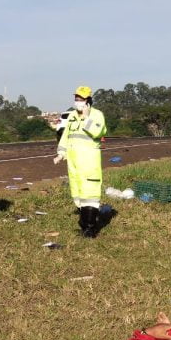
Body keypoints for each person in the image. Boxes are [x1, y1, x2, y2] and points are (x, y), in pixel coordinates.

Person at [55, 86, 107, 238]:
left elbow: (99, 131)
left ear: (88, 101)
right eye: (76, 99)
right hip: (73, 162)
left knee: (89, 194)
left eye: (81, 99)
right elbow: (66, 136)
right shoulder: (71, 116)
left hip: (89, 161)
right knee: (78, 194)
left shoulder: (97, 115)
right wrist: (61, 152)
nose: (78, 102)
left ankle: (90, 229)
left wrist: (86, 118)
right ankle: (83, 224)